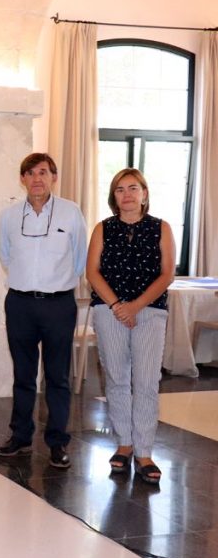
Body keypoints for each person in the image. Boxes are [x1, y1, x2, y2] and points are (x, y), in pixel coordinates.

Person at [0, 153, 87, 469]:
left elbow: (80, 258)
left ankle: (57, 443)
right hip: (20, 303)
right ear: (22, 179)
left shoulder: (71, 213)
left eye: (43, 172)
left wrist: (57, 286)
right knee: (23, 375)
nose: (37, 178)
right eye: (30, 173)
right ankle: (20, 437)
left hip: (59, 304)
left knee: (58, 377)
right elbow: (6, 258)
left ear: (53, 177)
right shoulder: (8, 216)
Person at [86, 168, 175, 484]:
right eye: (120, 189)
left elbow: (166, 275)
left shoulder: (161, 228)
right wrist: (117, 306)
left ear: (144, 194)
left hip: (150, 312)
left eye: (133, 188)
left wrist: (135, 306)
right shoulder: (103, 229)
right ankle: (124, 443)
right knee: (117, 377)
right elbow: (93, 272)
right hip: (110, 311)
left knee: (147, 381)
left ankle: (144, 451)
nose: (127, 194)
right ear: (114, 197)